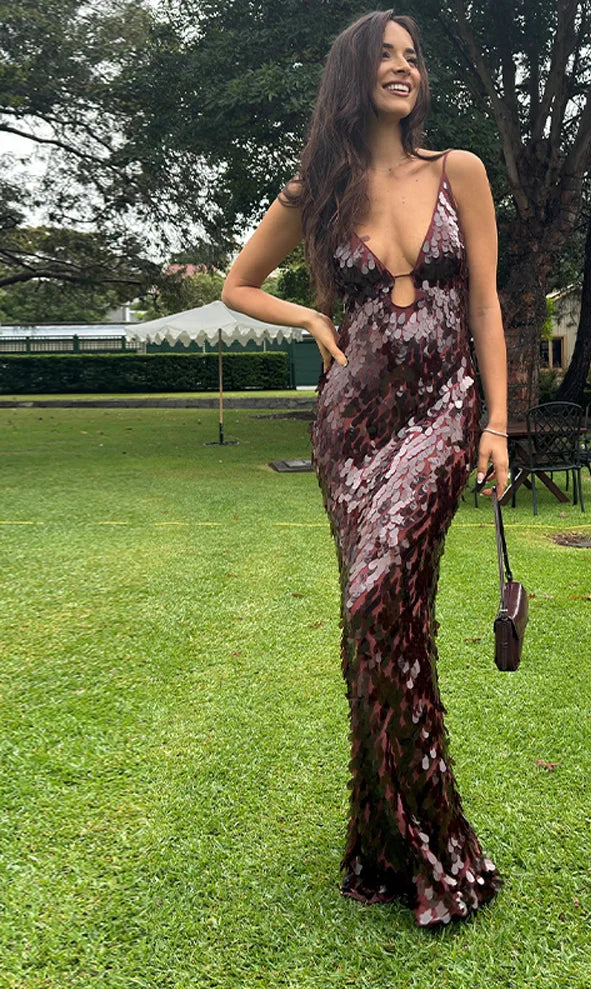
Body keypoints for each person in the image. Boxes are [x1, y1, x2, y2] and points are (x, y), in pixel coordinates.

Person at [222, 9, 508, 928]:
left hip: (443, 409)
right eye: (385, 54)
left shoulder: (459, 170)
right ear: (353, 73)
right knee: (377, 622)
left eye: (412, 57)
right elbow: (237, 284)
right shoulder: (320, 187)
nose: (403, 67)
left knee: (377, 601)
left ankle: (434, 842)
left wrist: (497, 424)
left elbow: (486, 304)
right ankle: (386, 845)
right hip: (353, 423)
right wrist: (309, 316)